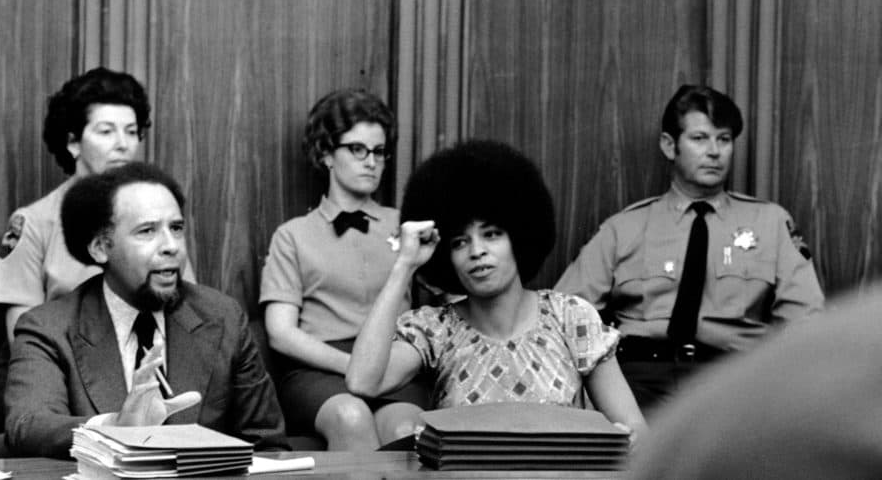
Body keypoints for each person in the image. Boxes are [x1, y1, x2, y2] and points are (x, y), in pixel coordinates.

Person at [346, 140, 647, 444]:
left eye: (491, 235)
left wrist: (621, 441)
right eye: (460, 242)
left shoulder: (570, 317)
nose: (477, 251)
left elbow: (636, 432)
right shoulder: (436, 330)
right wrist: (405, 265)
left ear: (519, 235)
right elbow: (362, 382)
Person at [554, 84, 824, 413]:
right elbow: (564, 316)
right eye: (700, 138)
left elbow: (807, 322)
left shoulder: (770, 224)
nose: (714, 151)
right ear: (670, 146)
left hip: (733, 382)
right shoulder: (624, 228)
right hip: (636, 381)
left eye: (723, 139)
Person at [4, 162, 287, 458]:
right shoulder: (47, 327)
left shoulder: (223, 316)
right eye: (147, 231)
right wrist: (114, 426)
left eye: (176, 229)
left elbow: (267, 442)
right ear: (101, 248)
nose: (171, 246)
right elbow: (27, 425)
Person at [259, 89, 429, 451]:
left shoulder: (407, 226)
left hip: (393, 367)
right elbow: (280, 333)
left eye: (379, 152)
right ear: (325, 154)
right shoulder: (293, 235)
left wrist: (383, 367)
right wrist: (352, 365)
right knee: (350, 416)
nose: (371, 162)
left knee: (405, 426)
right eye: (357, 149)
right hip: (318, 372)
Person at [0, 67, 195, 341]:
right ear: (73, 142)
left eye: (131, 131)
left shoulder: (158, 213)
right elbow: (22, 335)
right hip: (54, 367)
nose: (123, 144)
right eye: (106, 132)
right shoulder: (33, 222)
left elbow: (188, 309)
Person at [628, 288, 877, 480]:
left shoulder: (770, 223)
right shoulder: (623, 229)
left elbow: (805, 317)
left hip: (732, 369)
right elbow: (588, 305)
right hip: (640, 369)